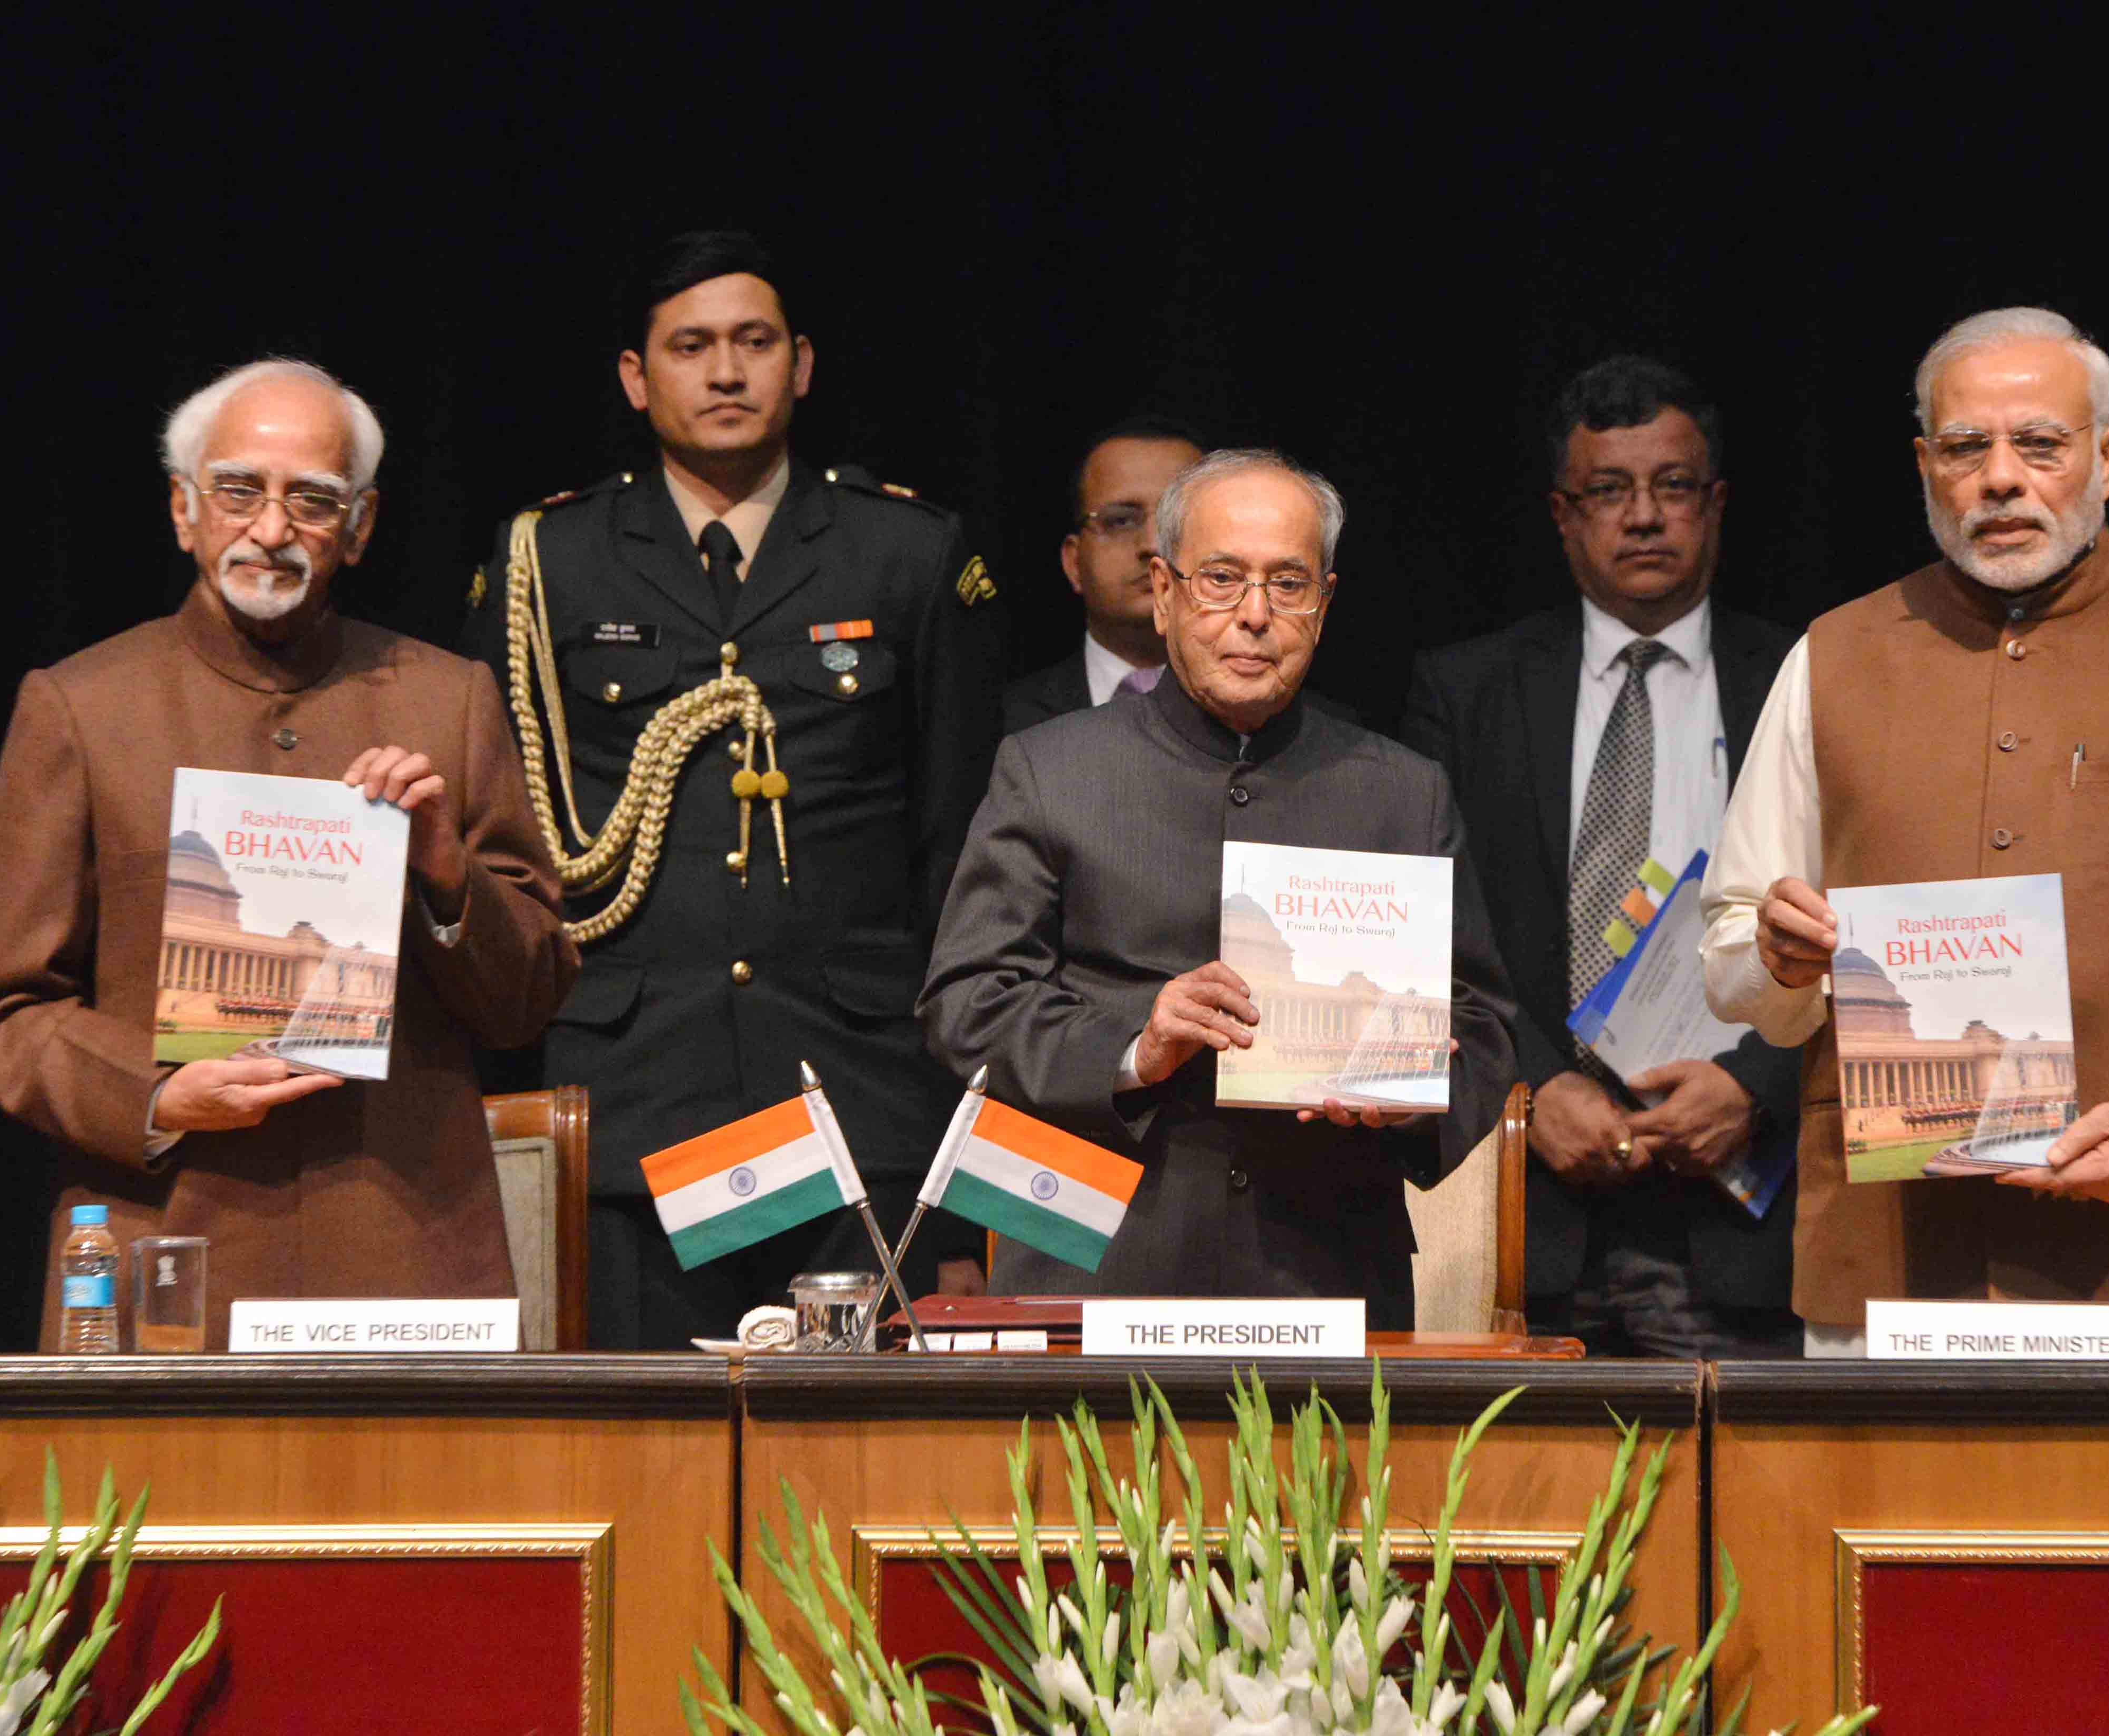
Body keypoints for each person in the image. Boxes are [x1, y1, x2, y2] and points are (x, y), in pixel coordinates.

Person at [1700, 306, 2109, 1358]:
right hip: (1888, 1274)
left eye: (2040, 445)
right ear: (1925, 464)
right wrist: (1779, 964)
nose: (2001, 477)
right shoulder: (1830, 658)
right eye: (1966, 447)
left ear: (2107, 456)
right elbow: (1735, 955)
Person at [0, 359, 578, 1351]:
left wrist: (445, 875)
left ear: (362, 526)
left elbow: (528, 996)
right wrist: (156, 1090)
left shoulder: (445, 700)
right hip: (169, 1250)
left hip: (406, 1255)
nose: (273, 527)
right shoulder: (80, 707)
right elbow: (6, 1013)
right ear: (183, 509)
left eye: (313, 500)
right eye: (239, 489)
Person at [460, 230, 1005, 1347]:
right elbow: (506, 838)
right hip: (633, 1090)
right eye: (691, 345)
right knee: (646, 1458)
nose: (724, 372)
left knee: (863, 1476)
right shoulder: (549, 559)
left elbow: (955, 846)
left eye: (753, 342)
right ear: (635, 375)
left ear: (800, 364)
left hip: (856, 1089)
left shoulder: (905, 548)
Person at [920, 450, 1521, 1328]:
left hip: (1323, 1270)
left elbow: (1483, 1023)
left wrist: (1402, 1094)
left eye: (1288, 584)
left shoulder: (1399, 789)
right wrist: (1136, 1043)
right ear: (1163, 593)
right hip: (1085, 1266)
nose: (1254, 617)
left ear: (1326, 601)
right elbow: (964, 1004)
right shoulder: (1051, 769)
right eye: (1220, 580)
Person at [1402, 355, 1800, 1357]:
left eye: (1670, 487)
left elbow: (1863, 916)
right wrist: (1527, 1091)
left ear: (1714, 504)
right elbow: (1426, 930)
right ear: (1561, 514)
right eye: (1608, 491)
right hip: (1526, 1217)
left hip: (1741, 1214)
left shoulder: (1805, 678)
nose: (1642, 517)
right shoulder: (1463, 693)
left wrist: (1757, 1086)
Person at [1002, 419, 1204, 733]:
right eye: (1121, 521)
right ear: (1074, 563)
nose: (1153, 545)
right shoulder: (1001, 722)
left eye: (1177, 521)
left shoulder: (1276, 716)